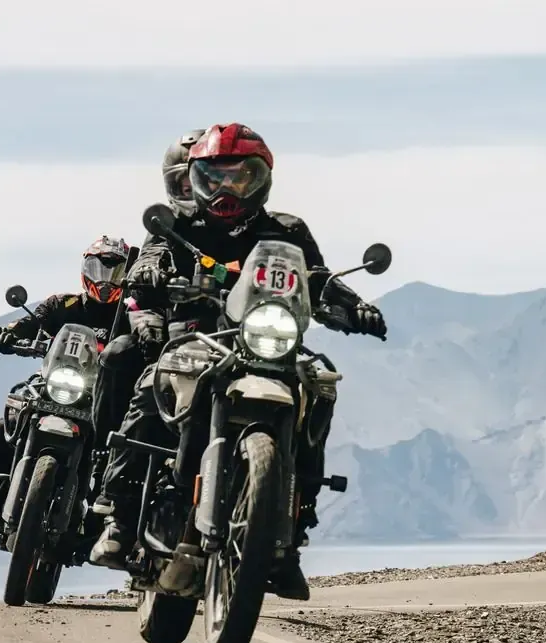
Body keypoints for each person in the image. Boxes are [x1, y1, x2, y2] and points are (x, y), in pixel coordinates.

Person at [89, 122, 387, 602]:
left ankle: (293, 528)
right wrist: (148, 270)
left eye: (239, 177)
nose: (226, 189)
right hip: (198, 339)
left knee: (321, 387)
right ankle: (121, 515)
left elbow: (317, 276)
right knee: (149, 384)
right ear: (196, 177)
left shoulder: (285, 230)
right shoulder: (178, 223)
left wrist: (354, 306)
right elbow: (155, 253)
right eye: (214, 177)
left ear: (261, 179)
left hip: (267, 345)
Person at [0, 236, 133, 540]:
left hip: (102, 394)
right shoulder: (61, 304)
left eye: (114, 272)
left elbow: (147, 342)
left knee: (119, 445)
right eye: (98, 268)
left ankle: (105, 522)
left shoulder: (130, 317)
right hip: (55, 384)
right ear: (85, 270)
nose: (106, 280)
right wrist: (8, 333)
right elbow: (29, 323)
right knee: (3, 427)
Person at [89, 128, 208, 515]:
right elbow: (147, 259)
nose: (197, 189)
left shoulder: (252, 227)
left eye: (205, 178)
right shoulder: (168, 225)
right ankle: (112, 470)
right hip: (171, 331)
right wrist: (149, 271)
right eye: (186, 181)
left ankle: (293, 507)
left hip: (230, 336)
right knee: (120, 357)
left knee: (311, 385)